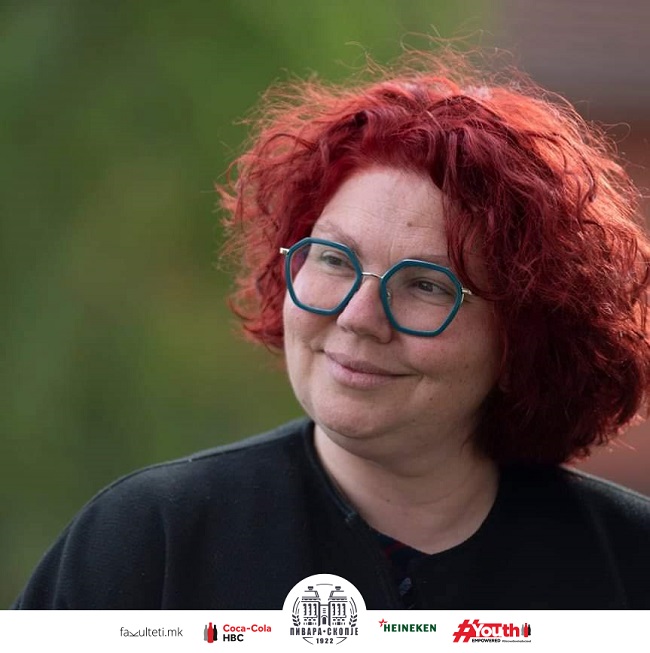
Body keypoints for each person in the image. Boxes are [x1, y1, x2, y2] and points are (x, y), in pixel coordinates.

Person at [12, 47, 650, 610]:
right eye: (334, 259)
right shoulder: (149, 542)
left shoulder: (627, 567)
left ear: (524, 338)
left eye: (426, 285)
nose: (357, 316)